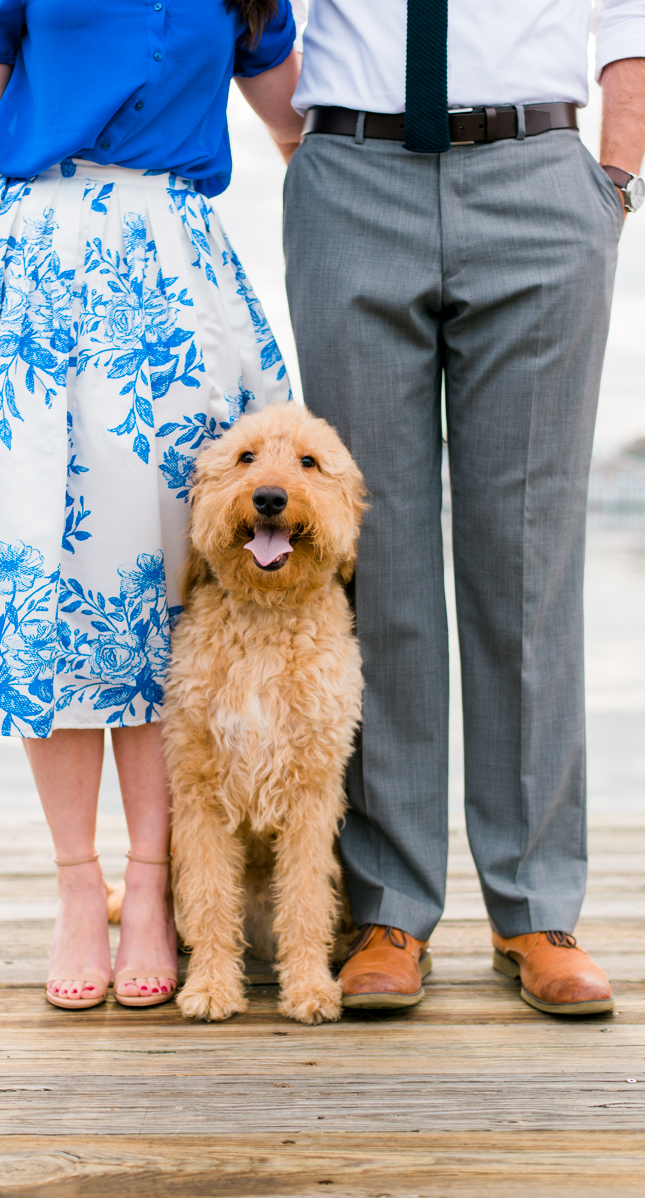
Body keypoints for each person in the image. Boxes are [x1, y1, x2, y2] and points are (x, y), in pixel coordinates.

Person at [0, 0, 303, 1010]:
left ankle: (150, 885)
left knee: (162, 593)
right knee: (42, 581)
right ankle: (72, 885)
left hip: (177, 284)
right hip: (29, 269)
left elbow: (295, 128)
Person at [283, 0, 645, 1015]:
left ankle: (532, 910)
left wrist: (612, 183)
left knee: (526, 561)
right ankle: (388, 906)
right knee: (375, 560)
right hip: (350, 174)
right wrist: (307, 157)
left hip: (537, 174)